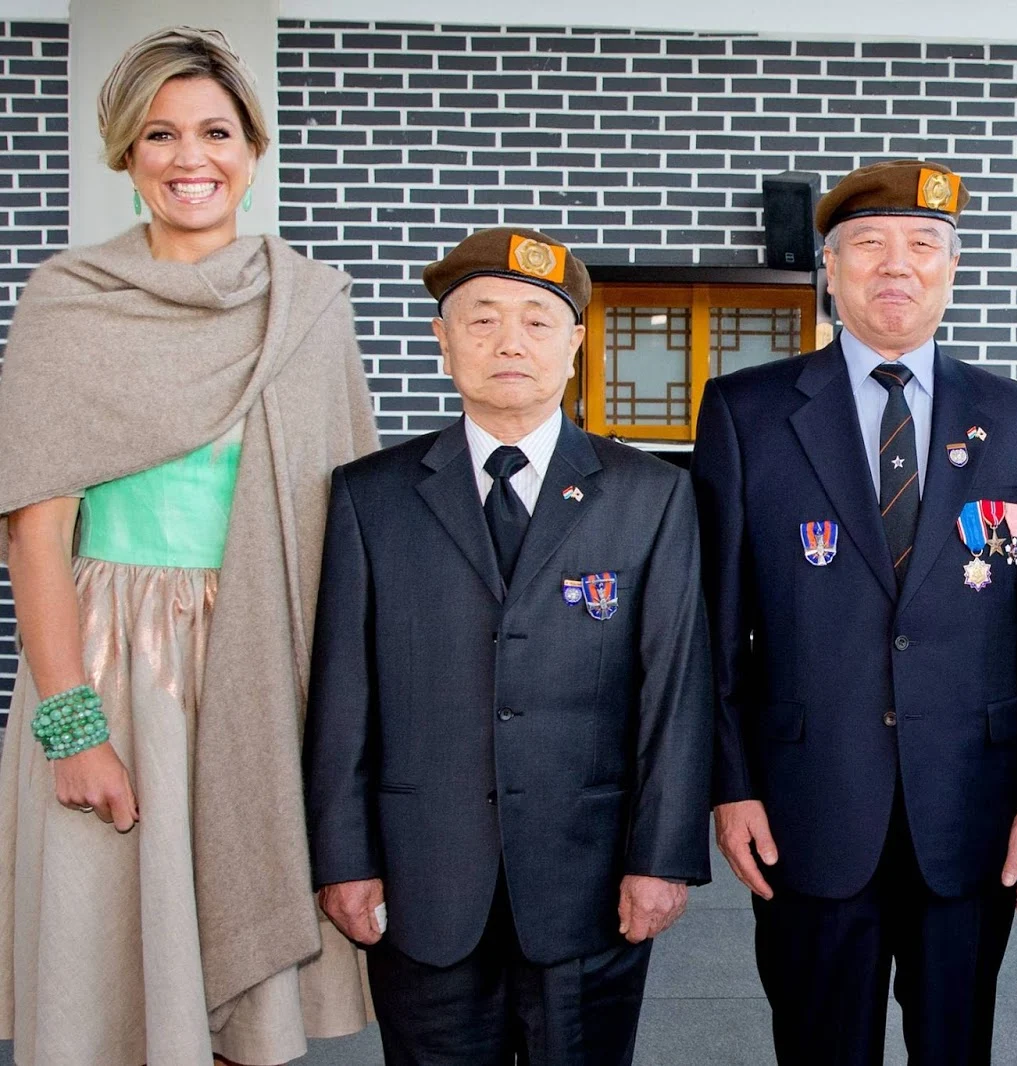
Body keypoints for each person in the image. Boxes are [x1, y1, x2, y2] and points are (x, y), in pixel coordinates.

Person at [0, 25, 376, 1066]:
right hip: (118, 666)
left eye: (215, 131)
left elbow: (348, 518)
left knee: (243, 995)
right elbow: (36, 532)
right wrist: (72, 722)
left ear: (252, 149)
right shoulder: (71, 299)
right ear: (126, 153)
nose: (189, 156)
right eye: (160, 134)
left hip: (268, 657)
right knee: (112, 974)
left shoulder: (313, 304)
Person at [692, 158, 1017, 1065]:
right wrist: (730, 781)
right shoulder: (748, 412)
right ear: (830, 268)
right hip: (807, 800)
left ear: (954, 268)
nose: (895, 265)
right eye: (867, 244)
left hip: (972, 808)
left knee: (957, 1045)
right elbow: (714, 627)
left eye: (923, 246)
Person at [303, 227, 713, 1066]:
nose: (509, 342)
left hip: (590, 881)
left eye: (536, 319)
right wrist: (342, 859)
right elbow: (343, 695)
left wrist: (662, 858)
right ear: (443, 343)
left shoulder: (652, 495)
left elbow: (674, 691)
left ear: (574, 343)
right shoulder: (369, 496)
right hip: (424, 881)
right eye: (481, 320)